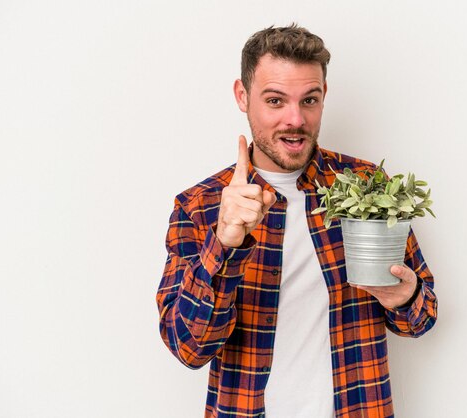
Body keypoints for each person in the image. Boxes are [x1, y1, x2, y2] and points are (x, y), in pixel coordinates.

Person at [156, 24, 437, 418]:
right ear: (242, 95)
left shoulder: (369, 188)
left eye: (310, 100)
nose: (295, 119)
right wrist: (224, 243)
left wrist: (404, 298)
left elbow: (421, 319)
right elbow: (189, 348)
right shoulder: (199, 207)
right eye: (275, 101)